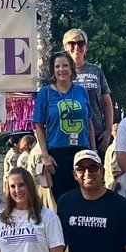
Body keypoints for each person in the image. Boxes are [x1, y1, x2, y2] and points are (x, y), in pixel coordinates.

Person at [33, 52, 94, 200]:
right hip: (57, 153)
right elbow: (38, 126)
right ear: (53, 70)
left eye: (65, 65)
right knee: (63, 199)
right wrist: (46, 156)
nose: (61, 69)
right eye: (57, 66)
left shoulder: (81, 91)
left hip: (81, 150)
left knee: (85, 196)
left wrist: (93, 151)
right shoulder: (45, 93)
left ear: (71, 68)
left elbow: (89, 122)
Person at [63, 28, 114, 154]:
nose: (76, 47)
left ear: (86, 47)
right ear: (65, 47)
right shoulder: (60, 73)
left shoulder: (96, 71)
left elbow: (107, 102)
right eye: (72, 43)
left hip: (97, 131)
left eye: (81, 43)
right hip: (68, 132)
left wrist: (108, 130)